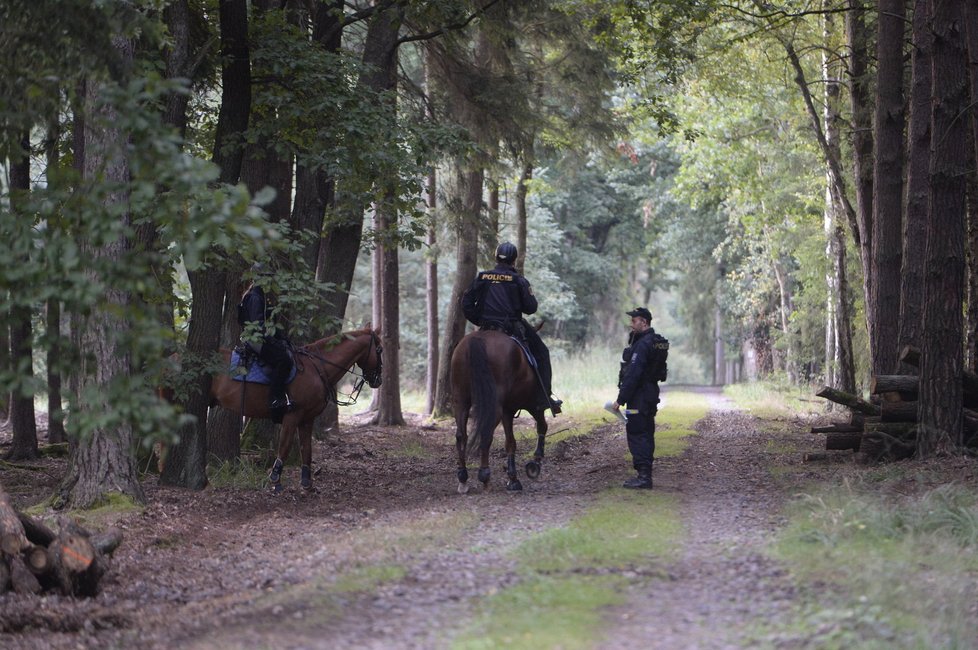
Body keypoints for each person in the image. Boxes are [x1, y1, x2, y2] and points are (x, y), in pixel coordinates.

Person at [462, 242, 561, 415]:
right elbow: (531, 308)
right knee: (542, 353)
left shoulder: (482, 277)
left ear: (496, 257)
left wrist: (479, 320)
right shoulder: (519, 280)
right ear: (514, 260)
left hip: (485, 326)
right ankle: (544, 398)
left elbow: (466, 303)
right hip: (512, 327)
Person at [610, 306, 669, 489]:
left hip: (639, 396)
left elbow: (633, 374)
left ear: (644, 322)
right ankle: (645, 474)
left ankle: (644, 477)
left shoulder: (643, 345)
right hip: (650, 394)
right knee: (646, 431)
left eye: (634, 321)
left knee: (637, 431)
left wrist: (620, 399)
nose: (631, 324)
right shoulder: (654, 342)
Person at [238, 263, 293, 423]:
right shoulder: (255, 297)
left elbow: (270, 324)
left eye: (270, 277)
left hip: (262, 338)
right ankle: (275, 399)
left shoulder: (262, 295)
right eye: (266, 277)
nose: (269, 280)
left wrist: (282, 339)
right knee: (283, 360)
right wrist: (274, 339)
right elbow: (258, 325)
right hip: (255, 340)